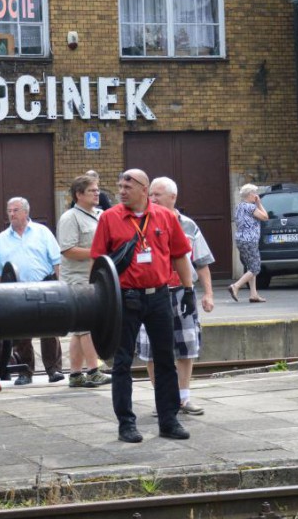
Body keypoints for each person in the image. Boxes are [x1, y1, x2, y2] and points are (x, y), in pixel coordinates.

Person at [90, 169, 194, 443]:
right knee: (122, 362)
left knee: (165, 360)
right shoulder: (109, 218)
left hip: (158, 296)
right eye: (120, 185)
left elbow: (181, 255)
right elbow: (98, 264)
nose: (122, 190)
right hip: (124, 298)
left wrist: (189, 290)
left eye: (128, 185)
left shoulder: (165, 216)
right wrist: (101, 300)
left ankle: (168, 421)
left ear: (144, 189)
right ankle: (126, 424)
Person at [137, 177, 215, 416]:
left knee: (186, 345)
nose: (152, 198)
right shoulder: (141, 223)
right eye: (150, 194)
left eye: (158, 194)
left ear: (173, 197)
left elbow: (201, 263)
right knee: (150, 349)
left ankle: (183, 398)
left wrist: (208, 293)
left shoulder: (189, 225)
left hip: (182, 292)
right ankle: (163, 398)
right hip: (150, 292)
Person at [0, 197, 64, 386]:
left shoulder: (42, 232)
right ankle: (24, 372)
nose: (11, 214)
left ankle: (54, 370)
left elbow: (57, 262)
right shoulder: (2, 239)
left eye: (15, 210)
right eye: (9, 211)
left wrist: (61, 286)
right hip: (16, 290)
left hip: (45, 285)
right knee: (21, 333)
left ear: (26, 212)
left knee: (49, 330)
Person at [57, 174, 112, 388]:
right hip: (77, 278)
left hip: (94, 278)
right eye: (92, 190)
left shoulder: (100, 215)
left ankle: (76, 374)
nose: (97, 193)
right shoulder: (70, 218)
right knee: (87, 325)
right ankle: (94, 371)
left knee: (79, 327)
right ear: (78, 195)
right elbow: (68, 250)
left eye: (98, 190)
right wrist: (98, 254)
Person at [228, 183, 268, 303]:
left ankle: (253, 294)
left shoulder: (239, 206)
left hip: (241, 240)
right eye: (255, 193)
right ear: (251, 195)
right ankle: (235, 286)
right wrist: (259, 203)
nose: (256, 195)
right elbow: (265, 217)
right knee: (255, 268)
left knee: (251, 267)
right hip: (250, 240)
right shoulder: (250, 207)